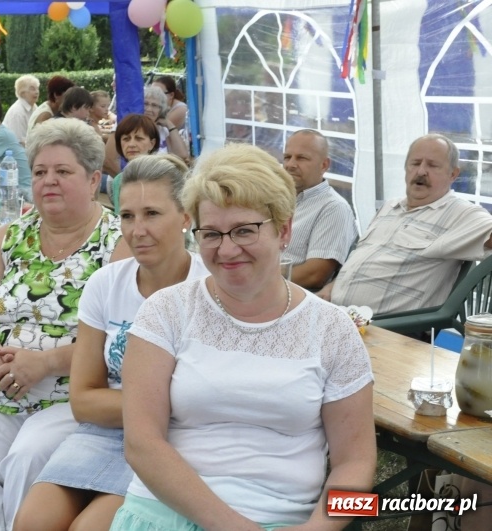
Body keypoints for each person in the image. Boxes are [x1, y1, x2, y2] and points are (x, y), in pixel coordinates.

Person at [111, 143, 376, 530]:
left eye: (244, 231)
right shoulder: (166, 311)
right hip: (165, 515)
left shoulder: (333, 330)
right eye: (211, 234)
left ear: (283, 230)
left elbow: (357, 462)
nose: (227, 249)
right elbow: (141, 445)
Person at [0, 118, 129, 531]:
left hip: (71, 394)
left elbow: (124, 339)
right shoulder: (11, 236)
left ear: (93, 179)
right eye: (41, 172)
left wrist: (44, 363)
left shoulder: (118, 243)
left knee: (28, 456)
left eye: (63, 171)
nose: (49, 181)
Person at [14, 154, 208, 531]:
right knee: (32, 522)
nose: (137, 230)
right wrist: (165, 404)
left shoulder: (208, 288)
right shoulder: (106, 283)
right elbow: (83, 401)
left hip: (174, 440)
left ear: (186, 217)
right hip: (104, 432)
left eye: (152, 214)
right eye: (127, 216)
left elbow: (203, 407)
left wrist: (133, 406)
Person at [320, 134, 492, 315]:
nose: (421, 171)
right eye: (415, 163)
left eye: (432, 165)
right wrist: (332, 287)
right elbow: (362, 260)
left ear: (453, 174)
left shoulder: (461, 214)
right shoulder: (390, 207)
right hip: (336, 313)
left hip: (389, 327)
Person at [281, 129, 357, 290]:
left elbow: (314, 275)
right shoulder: (275, 198)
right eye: (287, 157)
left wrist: (259, 279)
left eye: (301, 158)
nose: (290, 165)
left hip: (284, 295)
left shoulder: (333, 208)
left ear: (324, 165)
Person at [107, 114, 160, 214]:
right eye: (126, 139)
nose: (131, 144)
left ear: (152, 143)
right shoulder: (118, 180)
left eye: (139, 138)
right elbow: (120, 217)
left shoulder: (163, 176)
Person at [3, 75, 40, 146]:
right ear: (22, 93)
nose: (37, 92)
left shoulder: (34, 107)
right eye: (32, 89)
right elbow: (19, 142)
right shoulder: (17, 112)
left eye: (37, 88)